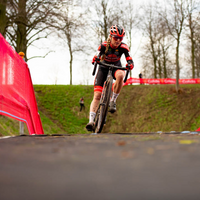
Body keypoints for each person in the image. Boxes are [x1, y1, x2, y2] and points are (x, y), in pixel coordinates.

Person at [86, 24, 134, 131]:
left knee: (121, 75)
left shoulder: (123, 47)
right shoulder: (103, 45)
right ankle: (91, 121)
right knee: (97, 95)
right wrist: (95, 59)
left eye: (120, 38)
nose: (118, 40)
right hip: (103, 68)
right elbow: (97, 54)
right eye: (116, 38)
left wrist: (130, 64)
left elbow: (129, 59)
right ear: (111, 36)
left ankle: (113, 100)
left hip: (115, 67)